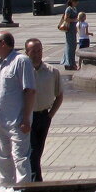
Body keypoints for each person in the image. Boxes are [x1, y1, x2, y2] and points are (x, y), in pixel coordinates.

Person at [0, 32, 36, 185]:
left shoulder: (21, 61)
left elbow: (30, 90)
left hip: (16, 122)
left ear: (3, 44)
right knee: (3, 159)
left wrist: (26, 119)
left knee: (20, 159)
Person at [24, 38, 63, 182]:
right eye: (33, 51)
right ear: (26, 52)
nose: (37, 54)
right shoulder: (23, 72)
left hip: (43, 117)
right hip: (27, 118)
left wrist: (50, 115)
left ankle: (33, 180)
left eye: (39, 50)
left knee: (38, 152)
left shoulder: (52, 71)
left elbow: (59, 95)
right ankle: (36, 181)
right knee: (32, 152)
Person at [60, 0, 79, 70]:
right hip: (69, 29)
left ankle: (71, 62)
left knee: (73, 45)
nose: (76, 3)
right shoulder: (68, 9)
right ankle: (69, 63)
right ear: (71, 1)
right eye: (75, 1)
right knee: (70, 46)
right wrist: (74, 20)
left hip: (73, 29)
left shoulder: (74, 8)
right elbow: (66, 19)